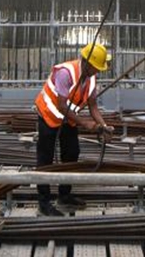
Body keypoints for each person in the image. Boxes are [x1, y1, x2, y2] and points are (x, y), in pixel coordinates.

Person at [33, 42, 115, 216]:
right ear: (86, 63)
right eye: (96, 67)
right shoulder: (66, 73)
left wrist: (104, 126)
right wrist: (85, 123)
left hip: (68, 120)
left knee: (71, 153)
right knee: (45, 158)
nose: (98, 71)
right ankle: (44, 201)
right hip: (49, 116)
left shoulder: (90, 77)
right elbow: (62, 106)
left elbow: (93, 106)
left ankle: (64, 194)